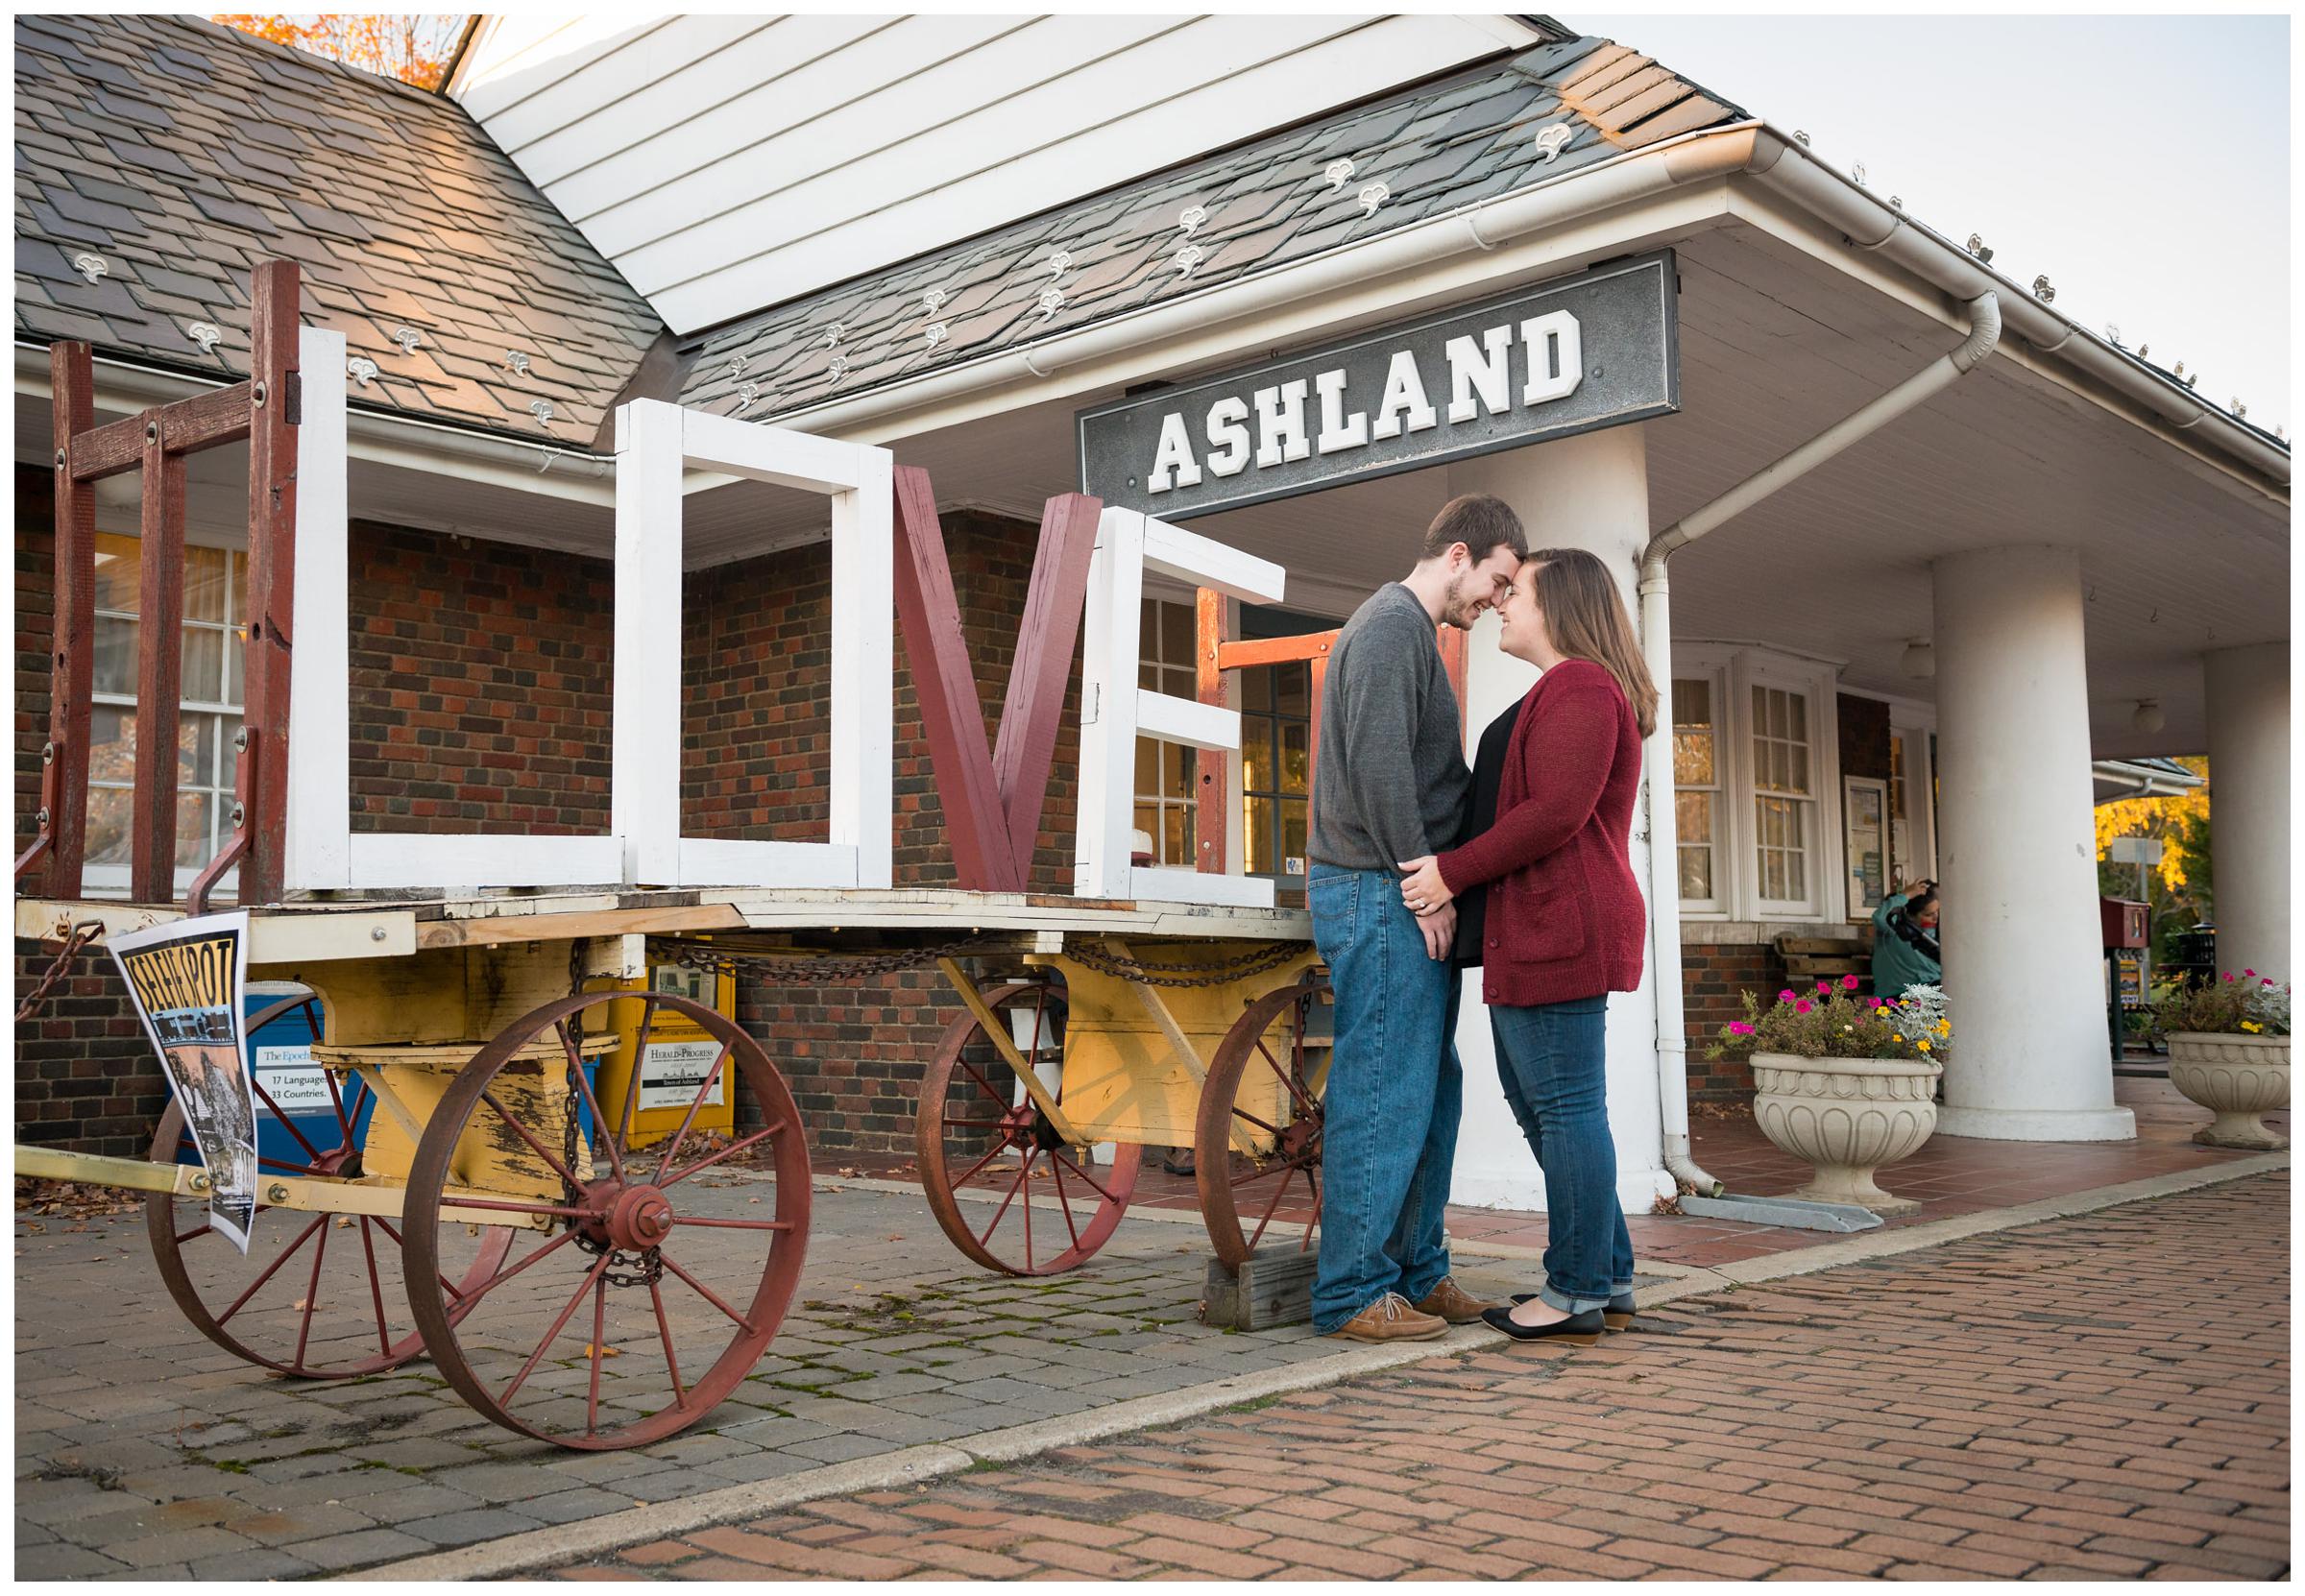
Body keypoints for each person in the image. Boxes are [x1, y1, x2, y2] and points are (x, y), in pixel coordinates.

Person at [1397, 547, 1654, 1346]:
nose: (1503, 604)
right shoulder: (1570, 688)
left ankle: (1573, 1288)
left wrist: (1448, 872)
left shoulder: (1580, 685)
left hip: (1557, 924)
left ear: (1564, 606)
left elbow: (1554, 814)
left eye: (1520, 593)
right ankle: (1604, 1275)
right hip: (1544, 924)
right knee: (1553, 1110)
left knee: (1566, 1109)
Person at [1305, 494, 1526, 1343]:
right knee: (1384, 1089)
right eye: (1498, 582)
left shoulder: (1411, 633)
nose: (1497, 602)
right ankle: (1353, 1293)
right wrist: (1422, 886)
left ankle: (1418, 1273)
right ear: (1460, 554)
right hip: (1378, 888)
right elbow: (1381, 767)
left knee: (1431, 1090)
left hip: (1388, 886)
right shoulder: (1392, 625)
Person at [1873, 879, 1942, 998]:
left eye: (1937, 912)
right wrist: (1906, 895)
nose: (1935, 918)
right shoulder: (1893, 932)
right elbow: (1881, 918)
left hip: (1928, 994)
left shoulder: (1929, 936)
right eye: (1929, 914)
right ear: (1910, 916)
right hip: (1898, 998)